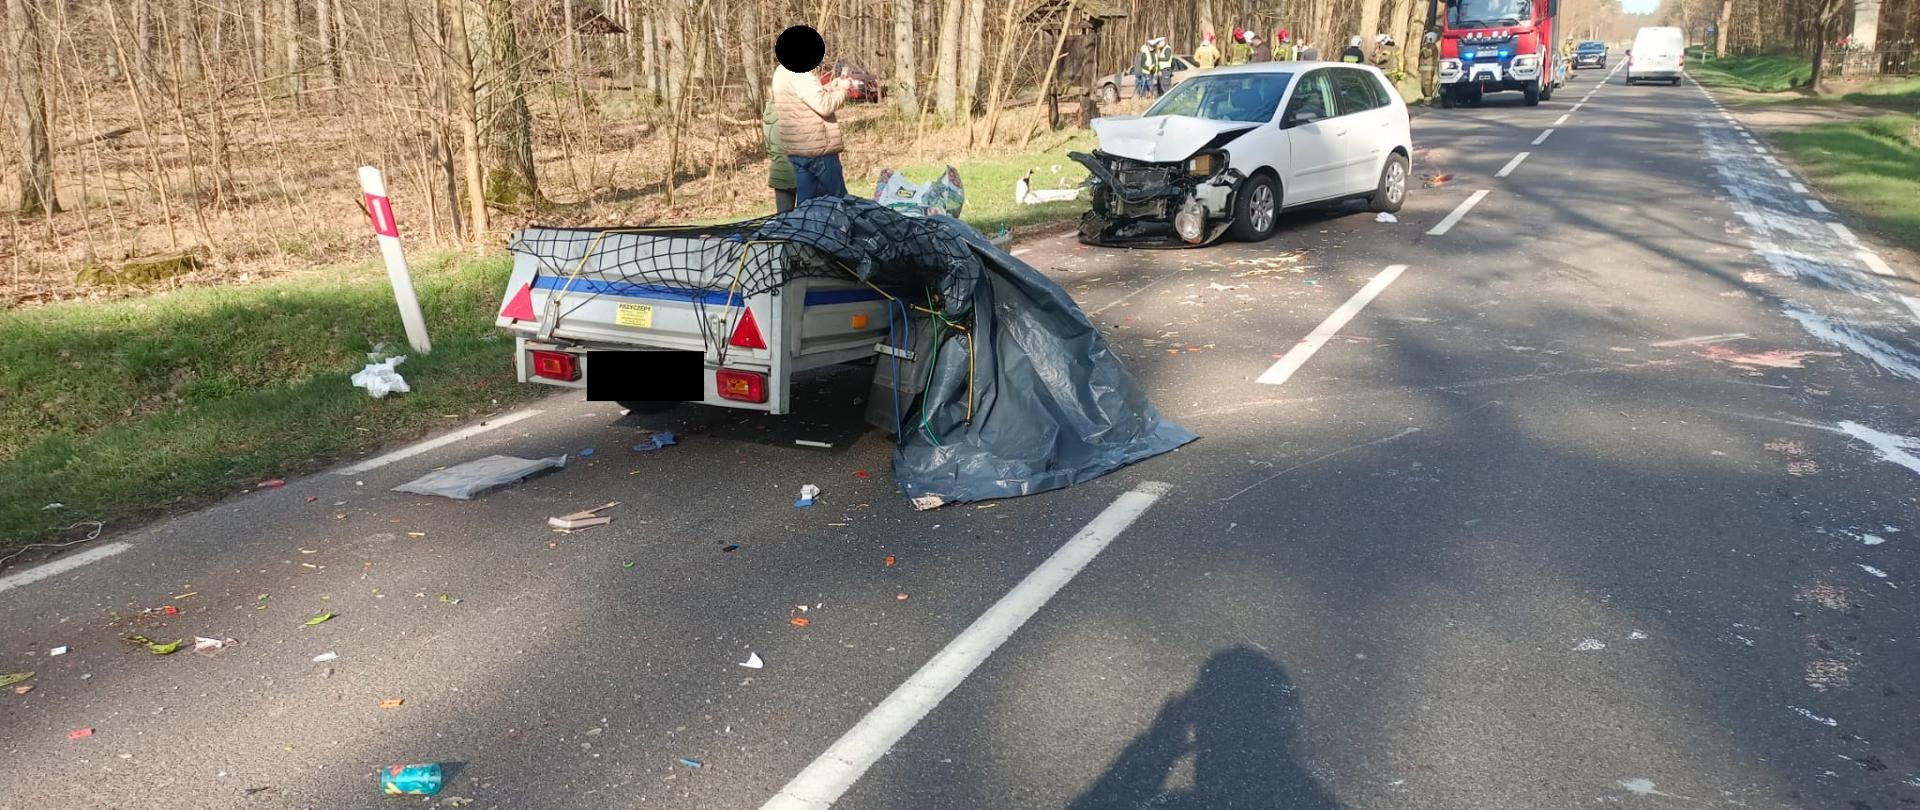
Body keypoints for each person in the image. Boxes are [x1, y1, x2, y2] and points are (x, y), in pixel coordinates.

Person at [772, 27, 852, 203]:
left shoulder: (781, 72)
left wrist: (831, 86)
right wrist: (843, 90)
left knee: (807, 206)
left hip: (798, 149)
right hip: (817, 149)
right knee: (839, 201)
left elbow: (803, 98)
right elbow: (824, 106)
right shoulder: (800, 75)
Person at [762, 99, 796, 213]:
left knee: (783, 218)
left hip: (778, 172)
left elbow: (769, 148)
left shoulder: (767, 118)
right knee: (805, 217)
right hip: (796, 171)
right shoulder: (790, 115)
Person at [1418, 30, 1440, 98]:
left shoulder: (1432, 47)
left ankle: (1428, 101)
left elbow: (1426, 54)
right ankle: (1426, 99)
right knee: (1423, 86)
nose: (1426, 39)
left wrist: (1423, 48)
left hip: (1429, 70)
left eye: (1426, 38)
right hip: (1425, 69)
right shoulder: (1428, 46)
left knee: (1427, 86)